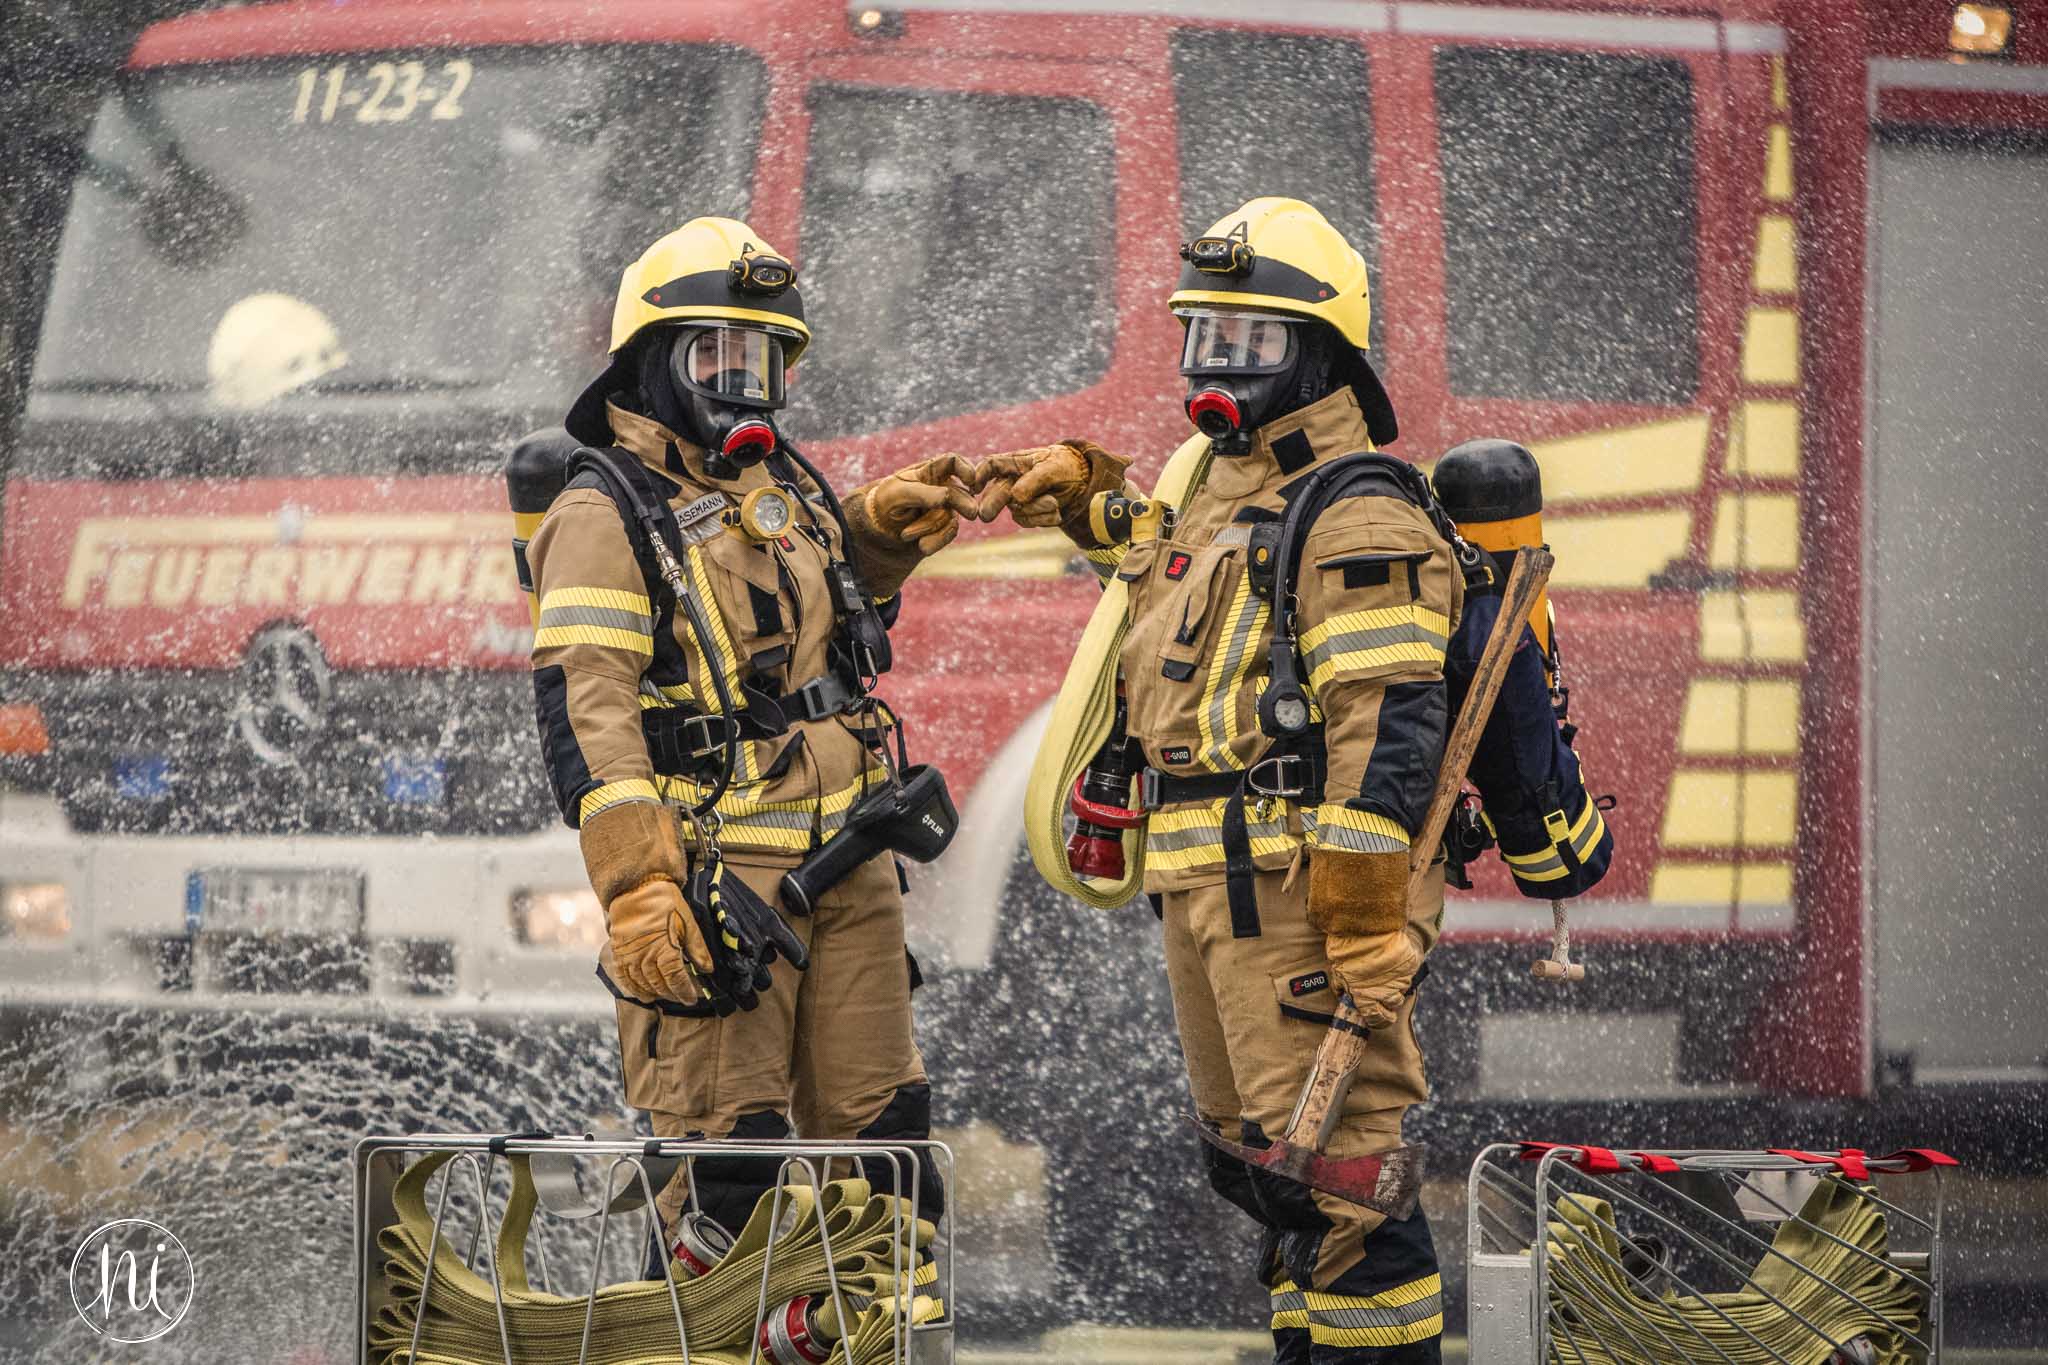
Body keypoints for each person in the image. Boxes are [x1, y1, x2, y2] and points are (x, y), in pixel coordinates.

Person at [989, 198, 1458, 1361]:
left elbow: (1389, 723)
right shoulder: (1223, 487)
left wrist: (1361, 914)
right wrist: (1085, 500)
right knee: (1265, 1172)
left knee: (1344, 1182)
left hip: (1299, 899)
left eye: (1246, 341)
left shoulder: (1354, 508)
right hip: (1206, 891)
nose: (1214, 365)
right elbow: (1166, 581)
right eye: (1201, 335)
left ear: (1317, 354)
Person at [525, 216, 968, 1252]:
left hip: (850, 868)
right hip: (720, 895)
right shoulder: (604, 513)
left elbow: (818, 642)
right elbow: (589, 707)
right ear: (651, 363)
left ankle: (854, 1325)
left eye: (762, 358)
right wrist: (640, 888)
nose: (743, 382)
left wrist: (873, 542)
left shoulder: (785, 492)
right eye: (715, 356)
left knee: (887, 1162)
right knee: (728, 1181)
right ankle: (701, 1325)